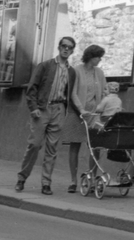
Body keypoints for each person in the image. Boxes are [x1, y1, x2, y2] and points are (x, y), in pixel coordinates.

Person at [16, 36, 78, 195]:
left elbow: (69, 94)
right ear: (59, 47)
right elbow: (32, 88)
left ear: (72, 51)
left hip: (59, 110)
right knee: (35, 144)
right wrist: (33, 107)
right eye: (64, 46)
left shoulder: (71, 72)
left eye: (69, 47)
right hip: (42, 109)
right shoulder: (45, 66)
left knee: (52, 149)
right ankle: (22, 178)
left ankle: (46, 183)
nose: (66, 49)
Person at [67, 43, 108, 192]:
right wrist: (81, 109)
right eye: (98, 57)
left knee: (95, 146)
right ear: (91, 57)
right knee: (75, 145)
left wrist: (105, 105)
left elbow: (104, 91)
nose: (100, 60)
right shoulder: (76, 70)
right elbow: (73, 93)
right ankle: (73, 181)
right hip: (78, 113)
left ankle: (91, 178)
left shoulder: (99, 72)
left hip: (94, 115)